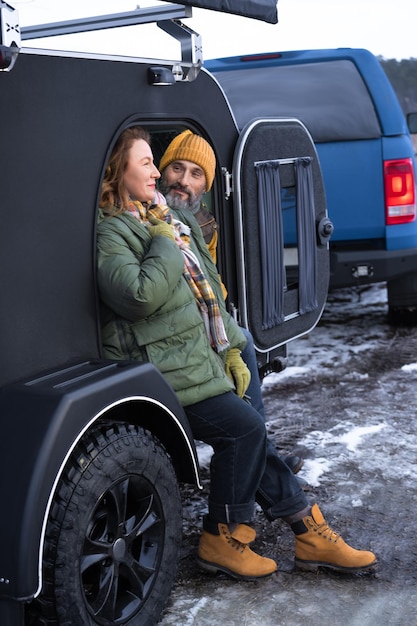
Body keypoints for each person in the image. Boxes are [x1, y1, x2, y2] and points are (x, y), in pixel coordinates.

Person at [96, 125, 377, 580]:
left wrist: (233, 345)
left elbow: (208, 291)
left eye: (195, 174)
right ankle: (288, 528)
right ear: (120, 169)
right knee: (248, 433)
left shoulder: (167, 216)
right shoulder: (138, 228)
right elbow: (142, 295)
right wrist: (166, 239)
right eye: (160, 165)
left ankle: (302, 530)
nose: (176, 179)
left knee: (251, 433)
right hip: (168, 364)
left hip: (203, 352)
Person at [158, 130, 303, 474]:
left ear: (205, 186)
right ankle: (266, 461)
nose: (183, 180)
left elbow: (211, 281)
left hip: (197, 318)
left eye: (195, 174)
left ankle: (261, 451)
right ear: (161, 171)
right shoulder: (153, 214)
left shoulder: (204, 221)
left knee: (244, 342)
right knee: (242, 344)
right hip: (171, 327)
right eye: (176, 168)